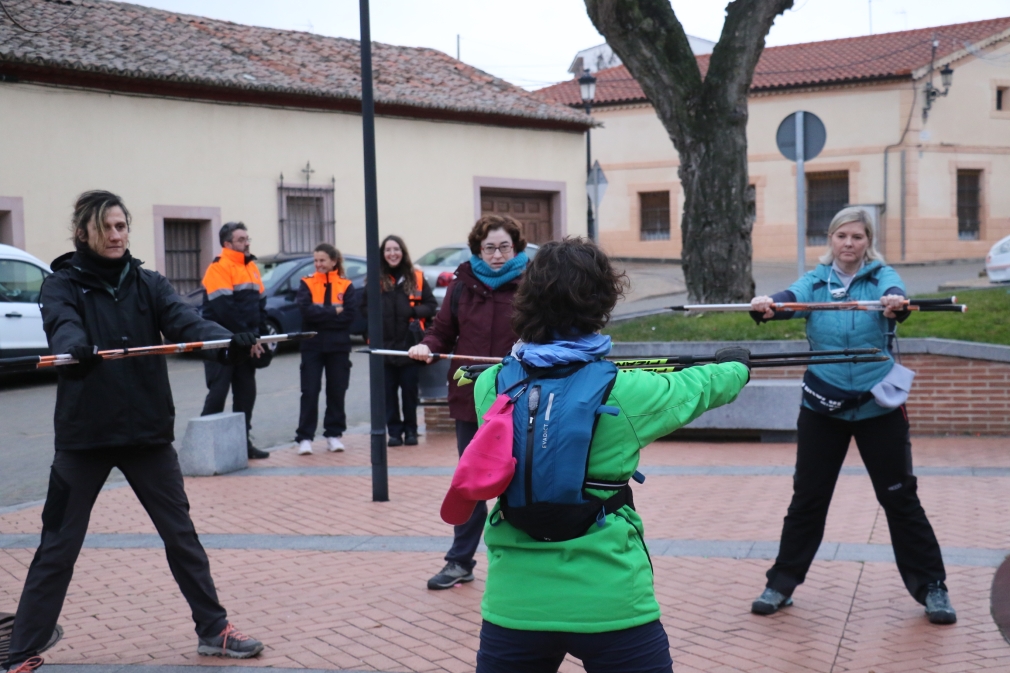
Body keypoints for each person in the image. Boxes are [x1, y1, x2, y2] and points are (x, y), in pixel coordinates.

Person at [3, 191, 264, 673]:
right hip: (84, 438)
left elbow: (186, 323)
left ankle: (214, 630)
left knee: (181, 535)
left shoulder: (149, 283)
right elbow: (61, 327)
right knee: (58, 544)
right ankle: (20, 650)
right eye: (108, 228)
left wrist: (230, 344)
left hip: (147, 435)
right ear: (85, 232)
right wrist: (76, 351)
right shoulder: (61, 285)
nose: (118, 235)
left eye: (123, 226)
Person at [464, 238, 750, 673]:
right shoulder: (624, 392)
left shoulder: (492, 387)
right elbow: (699, 387)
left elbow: (506, 380)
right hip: (611, 599)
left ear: (527, 299)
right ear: (602, 301)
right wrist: (737, 366)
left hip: (515, 603)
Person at [748, 207, 956, 624]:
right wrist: (769, 305)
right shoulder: (817, 280)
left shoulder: (881, 276)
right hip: (821, 407)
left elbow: (895, 295)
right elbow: (791, 299)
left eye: (857, 237)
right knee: (807, 499)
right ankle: (781, 583)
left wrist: (895, 304)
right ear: (831, 239)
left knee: (900, 498)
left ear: (867, 241)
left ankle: (932, 586)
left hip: (877, 407)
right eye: (841, 236)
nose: (849, 244)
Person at [408, 215, 530, 590]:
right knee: (472, 479)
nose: (496, 255)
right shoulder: (462, 284)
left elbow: (543, 332)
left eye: (504, 247)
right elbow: (443, 331)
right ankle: (460, 562)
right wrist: (426, 347)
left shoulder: (531, 285)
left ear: (516, 248)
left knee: (521, 481)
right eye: (489, 247)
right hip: (471, 396)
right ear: (478, 249)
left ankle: (524, 560)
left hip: (519, 396)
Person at [200, 222, 269, 459]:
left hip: (246, 343)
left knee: (246, 394)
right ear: (227, 243)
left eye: (247, 238)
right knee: (218, 394)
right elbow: (224, 311)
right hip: (221, 343)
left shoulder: (251, 267)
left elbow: (260, 306)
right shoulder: (218, 268)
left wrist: (260, 336)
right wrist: (248, 338)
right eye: (241, 239)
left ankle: (242, 444)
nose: (247, 242)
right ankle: (205, 447)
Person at [361, 235, 436, 446]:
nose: (392, 253)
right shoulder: (375, 279)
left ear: (402, 252)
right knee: (388, 394)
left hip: (409, 346)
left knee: (409, 394)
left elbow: (430, 306)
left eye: (396, 249)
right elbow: (364, 308)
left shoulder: (417, 278)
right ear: (382, 254)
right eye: (388, 250)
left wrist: (412, 310)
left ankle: (411, 431)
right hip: (384, 347)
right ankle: (394, 433)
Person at [294, 243, 358, 454]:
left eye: (322, 260)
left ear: (333, 261)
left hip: (338, 347)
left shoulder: (346, 285)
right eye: (316, 261)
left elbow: (349, 316)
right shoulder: (306, 283)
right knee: (310, 391)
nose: (318, 264)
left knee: (337, 390)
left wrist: (322, 313)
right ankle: (305, 437)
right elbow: (306, 312)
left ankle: (334, 434)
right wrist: (334, 312)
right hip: (312, 345)